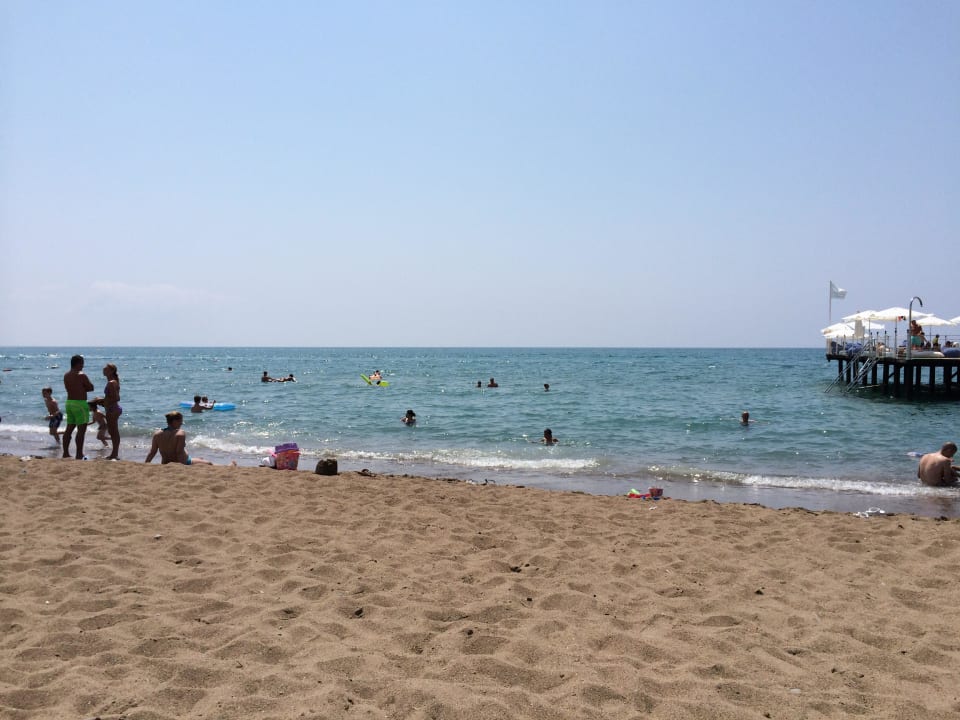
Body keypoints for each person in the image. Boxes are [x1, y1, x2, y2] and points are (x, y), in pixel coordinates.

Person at [145, 411, 215, 465]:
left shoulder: (157, 434)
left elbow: (152, 452)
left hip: (165, 462)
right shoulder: (180, 433)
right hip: (183, 462)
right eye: (180, 421)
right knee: (209, 463)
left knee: (200, 459)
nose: (181, 423)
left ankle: (198, 459)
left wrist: (146, 464)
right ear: (175, 421)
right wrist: (183, 466)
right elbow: (179, 453)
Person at [62, 354, 94, 459]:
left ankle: (65, 453)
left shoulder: (66, 375)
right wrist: (83, 388)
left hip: (69, 402)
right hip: (80, 403)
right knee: (81, 430)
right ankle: (79, 453)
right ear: (77, 364)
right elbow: (91, 387)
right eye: (82, 364)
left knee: (69, 429)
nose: (83, 366)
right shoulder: (81, 375)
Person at [98, 363, 122, 460]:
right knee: (113, 432)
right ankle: (114, 453)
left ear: (112, 371)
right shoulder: (112, 382)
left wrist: (104, 401)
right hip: (112, 408)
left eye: (106, 369)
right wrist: (102, 401)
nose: (103, 370)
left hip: (112, 409)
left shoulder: (111, 383)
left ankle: (115, 454)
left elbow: (117, 398)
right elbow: (111, 397)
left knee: (114, 432)